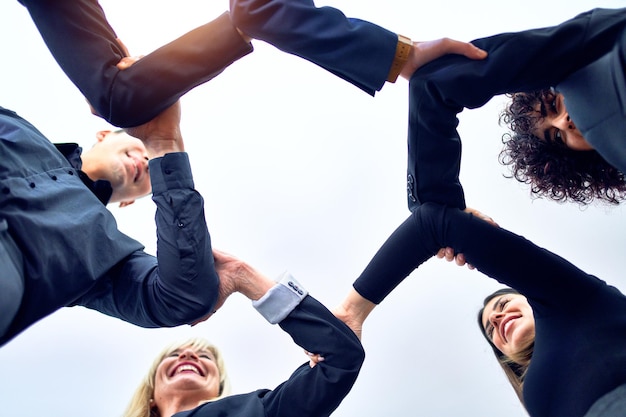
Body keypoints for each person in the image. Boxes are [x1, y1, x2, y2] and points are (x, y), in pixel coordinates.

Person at [328, 202, 626, 417]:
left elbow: (432, 223)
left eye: (503, 305)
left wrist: (352, 311)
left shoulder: (575, 300)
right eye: (491, 331)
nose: (496, 320)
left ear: (529, 296)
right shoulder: (535, 395)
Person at [0, 100, 220, 347]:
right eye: (142, 146)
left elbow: (182, 298)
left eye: (152, 164)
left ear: (129, 202)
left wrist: (164, 146)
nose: (147, 161)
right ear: (104, 134)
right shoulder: (16, 126)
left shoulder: (104, 255)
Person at [122, 249, 365, 417]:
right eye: (173, 354)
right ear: (150, 395)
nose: (188, 356)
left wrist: (242, 275)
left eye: (205, 357)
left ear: (218, 388)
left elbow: (340, 357)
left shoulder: (257, 412)